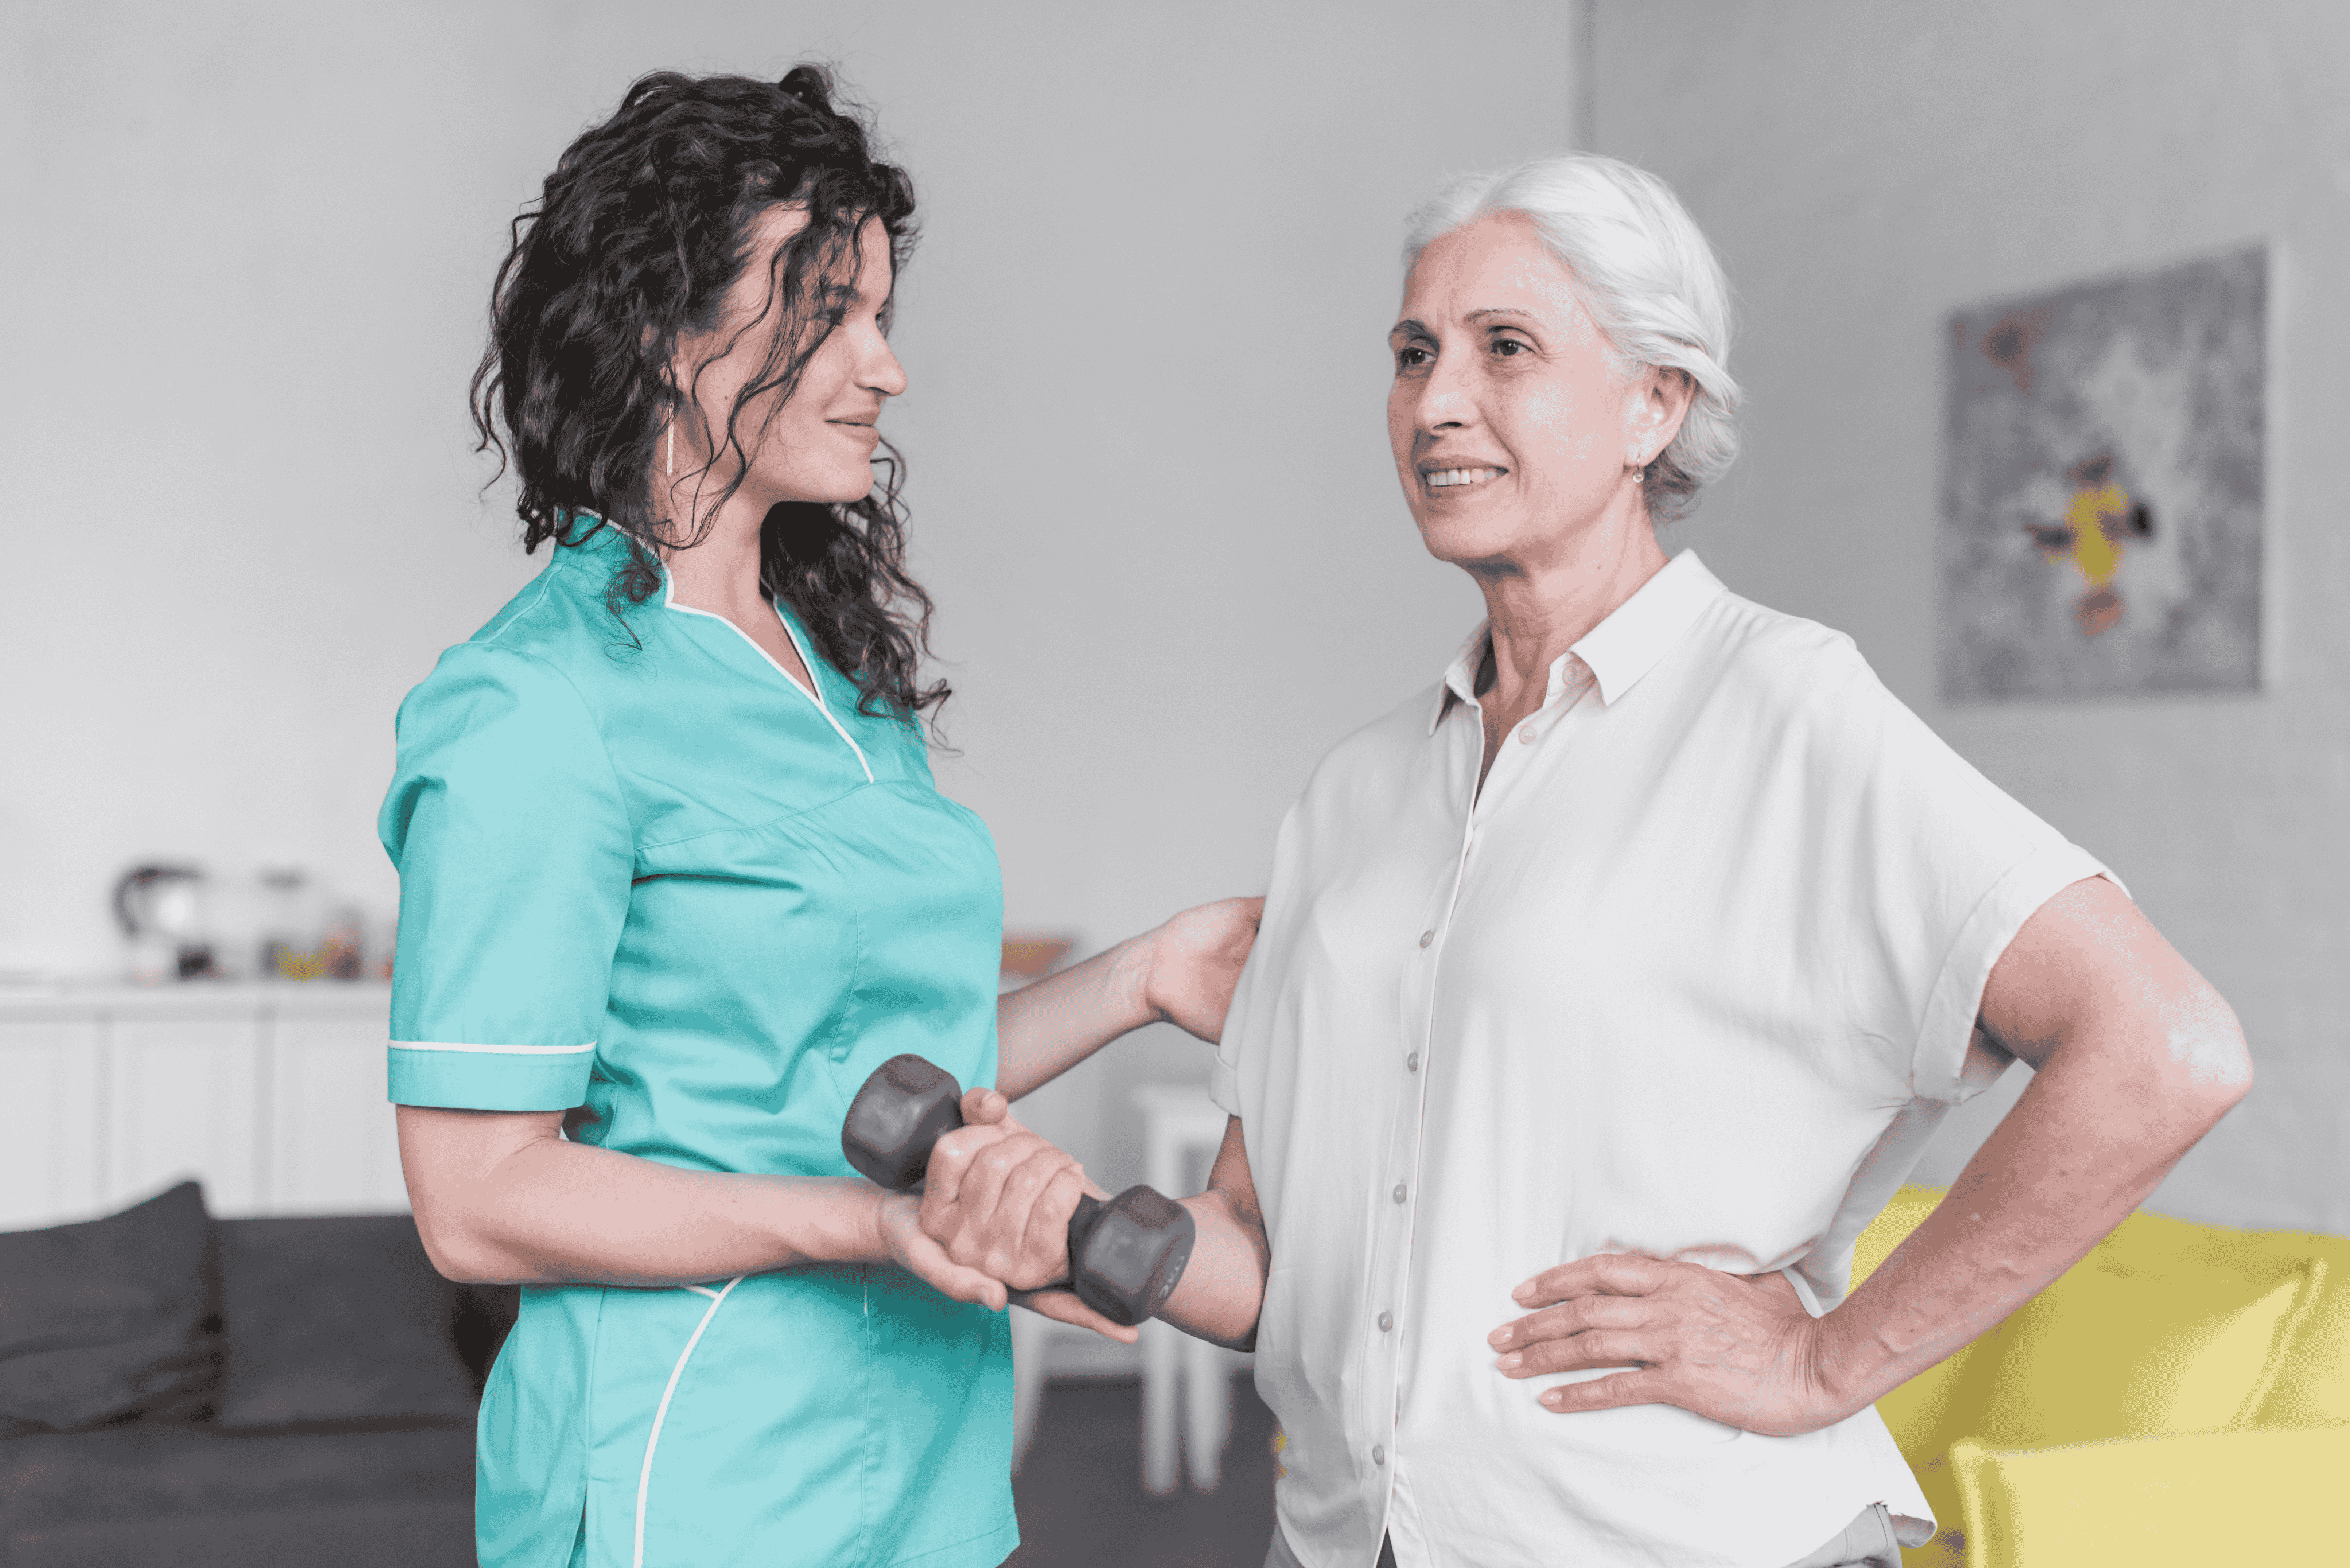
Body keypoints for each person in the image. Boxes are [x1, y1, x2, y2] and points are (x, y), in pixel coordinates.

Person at [933, 153, 2252, 1568]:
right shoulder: (1356, 791)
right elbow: (1277, 1259)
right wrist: (1079, 1231)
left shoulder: (1786, 712)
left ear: (1653, 404)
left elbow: (2164, 1044)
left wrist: (1823, 1364)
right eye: (1412, 352)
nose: (1436, 399)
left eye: (1506, 349)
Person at [382, 67, 1258, 1568]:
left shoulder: (833, 669)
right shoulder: (537, 705)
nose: (886, 367)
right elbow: (476, 1199)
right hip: (697, 1459)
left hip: (926, 1442)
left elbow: (849, 1061)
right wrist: (862, 1227)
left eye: (884, 316)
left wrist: (1142, 978)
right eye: (831, 310)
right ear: (670, 327)